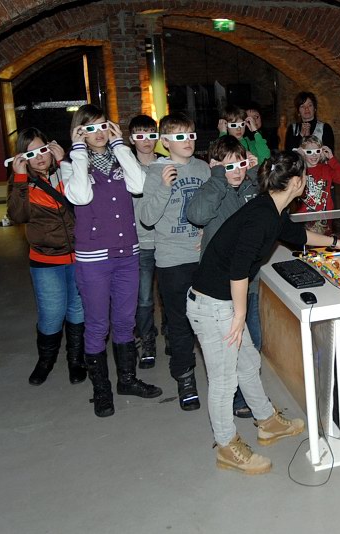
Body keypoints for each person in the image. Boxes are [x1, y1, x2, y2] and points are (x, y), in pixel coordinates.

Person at [186, 151, 340, 474]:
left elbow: (296, 235)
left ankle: (267, 422)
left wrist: (336, 242)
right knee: (224, 380)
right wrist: (239, 317)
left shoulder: (272, 209)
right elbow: (238, 270)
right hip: (212, 305)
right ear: (297, 182)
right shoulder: (262, 216)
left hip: (223, 302)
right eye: (304, 178)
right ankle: (226, 446)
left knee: (249, 362)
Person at [62, 104, 162, 418]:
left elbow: (139, 185)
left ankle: (127, 380)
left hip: (127, 253)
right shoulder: (70, 164)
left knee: (124, 321)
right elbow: (80, 196)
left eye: (103, 126)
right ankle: (102, 389)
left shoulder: (121, 157)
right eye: (90, 128)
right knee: (97, 325)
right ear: (79, 132)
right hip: (93, 258)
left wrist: (120, 145)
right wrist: (79, 151)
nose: (99, 133)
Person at [140, 112, 210, 412]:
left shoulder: (203, 168)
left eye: (191, 135)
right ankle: (185, 378)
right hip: (171, 261)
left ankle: (221, 377)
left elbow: (215, 206)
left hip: (203, 258)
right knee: (179, 323)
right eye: (180, 137)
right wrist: (164, 187)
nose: (188, 141)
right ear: (165, 142)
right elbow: (146, 217)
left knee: (212, 321)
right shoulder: (156, 172)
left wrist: (208, 232)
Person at [6, 127, 86, 387]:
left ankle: (76, 360)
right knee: (52, 313)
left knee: (77, 310)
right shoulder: (22, 184)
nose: (39, 157)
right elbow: (18, 216)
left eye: (42, 150)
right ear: (22, 158)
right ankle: (45, 361)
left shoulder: (67, 171)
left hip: (80, 256)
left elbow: (86, 199)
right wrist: (20, 178)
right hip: (46, 261)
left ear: (51, 149)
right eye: (31, 154)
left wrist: (65, 162)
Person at [187, 136, 260, 418]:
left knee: (252, 343)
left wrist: (256, 171)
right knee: (230, 348)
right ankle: (237, 400)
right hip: (221, 289)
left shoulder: (251, 187)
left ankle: (251, 397)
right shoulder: (213, 188)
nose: (237, 171)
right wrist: (218, 177)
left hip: (248, 282)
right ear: (216, 167)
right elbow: (197, 215)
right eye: (228, 166)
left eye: (241, 164)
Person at [128, 114, 162, 368]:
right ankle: (147, 340)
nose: (146, 140)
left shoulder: (166, 164)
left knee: (171, 296)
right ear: (131, 139)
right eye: (140, 135)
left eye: (151, 134)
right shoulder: (126, 167)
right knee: (144, 299)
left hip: (167, 241)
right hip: (140, 242)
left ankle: (172, 336)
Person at [293, 135, 340, 228]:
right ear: (302, 152)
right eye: (309, 152)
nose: (314, 155)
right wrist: (299, 158)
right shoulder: (298, 170)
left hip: (325, 217)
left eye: (317, 151)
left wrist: (331, 158)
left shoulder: (326, 169)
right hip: (303, 217)